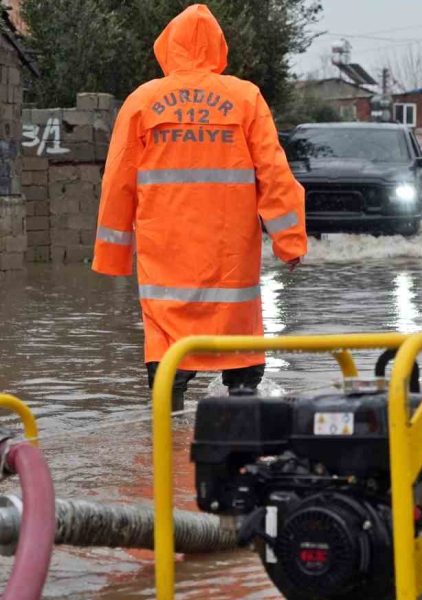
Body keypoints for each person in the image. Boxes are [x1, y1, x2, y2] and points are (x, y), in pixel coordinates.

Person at [91, 4, 306, 410]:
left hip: (165, 263)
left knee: (168, 366)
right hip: (231, 263)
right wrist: (289, 241)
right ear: (219, 47)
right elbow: (275, 175)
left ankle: (163, 457)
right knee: (241, 367)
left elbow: (118, 182)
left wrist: (113, 256)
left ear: (167, 46)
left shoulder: (143, 101)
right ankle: (239, 452)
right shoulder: (245, 97)